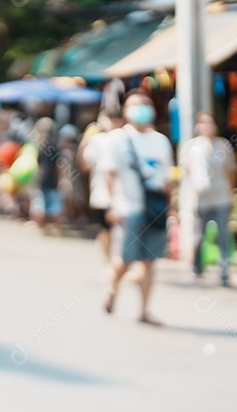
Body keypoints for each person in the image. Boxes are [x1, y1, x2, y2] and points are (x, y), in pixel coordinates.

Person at [102, 91, 174, 325]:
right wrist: (111, 205)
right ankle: (113, 287)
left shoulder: (161, 141)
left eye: (146, 104)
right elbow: (109, 175)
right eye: (136, 105)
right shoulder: (117, 139)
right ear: (126, 111)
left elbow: (167, 179)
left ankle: (144, 310)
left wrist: (171, 207)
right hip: (129, 208)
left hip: (156, 208)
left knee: (150, 261)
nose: (142, 109)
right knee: (126, 258)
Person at [179, 111, 237, 286]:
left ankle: (224, 270)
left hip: (222, 197)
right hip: (201, 199)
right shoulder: (191, 147)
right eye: (203, 123)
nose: (206, 126)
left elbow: (231, 172)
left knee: (223, 234)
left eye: (210, 122)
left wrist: (232, 194)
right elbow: (185, 173)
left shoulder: (223, 145)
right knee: (199, 235)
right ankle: (197, 267)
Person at [79, 110, 126, 264]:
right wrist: (85, 142)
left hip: (124, 193)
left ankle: (117, 262)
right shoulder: (97, 140)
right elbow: (85, 166)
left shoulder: (127, 139)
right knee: (106, 229)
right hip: (102, 193)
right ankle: (109, 262)